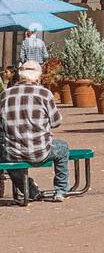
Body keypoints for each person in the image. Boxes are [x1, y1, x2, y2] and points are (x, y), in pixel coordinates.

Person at [0, 60, 70, 202]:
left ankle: (31, 190)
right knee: (63, 148)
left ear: (19, 76)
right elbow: (56, 122)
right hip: (40, 150)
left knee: (7, 157)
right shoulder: (44, 94)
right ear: (38, 77)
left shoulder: (5, 95)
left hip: (13, 152)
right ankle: (61, 190)